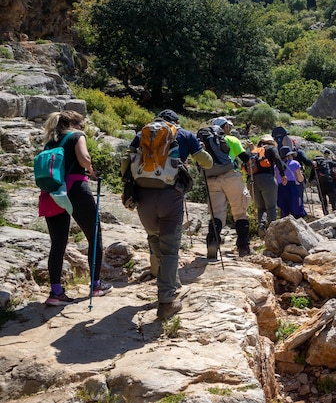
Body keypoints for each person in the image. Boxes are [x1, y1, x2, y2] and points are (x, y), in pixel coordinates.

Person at [125, 109, 213, 319]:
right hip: (170, 198)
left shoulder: (141, 134)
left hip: (143, 197)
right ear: (176, 121)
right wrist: (199, 149)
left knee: (154, 238)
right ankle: (166, 302)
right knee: (170, 249)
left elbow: (126, 163)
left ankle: (168, 280)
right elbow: (207, 163)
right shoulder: (183, 134)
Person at [38, 110, 112, 306]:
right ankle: (96, 285)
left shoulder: (50, 141)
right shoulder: (77, 135)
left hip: (53, 192)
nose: (84, 128)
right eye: (83, 125)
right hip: (76, 189)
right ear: (76, 124)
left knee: (58, 243)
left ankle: (55, 292)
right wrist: (91, 171)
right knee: (94, 235)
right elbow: (84, 158)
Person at [203, 117, 252, 258]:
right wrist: (251, 150)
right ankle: (243, 246)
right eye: (228, 127)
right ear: (224, 127)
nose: (229, 129)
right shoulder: (232, 140)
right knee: (240, 211)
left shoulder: (208, 141)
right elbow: (245, 158)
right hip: (231, 176)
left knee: (216, 213)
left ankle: (212, 242)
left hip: (211, 177)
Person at [246, 135, 286, 239]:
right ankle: (273, 231)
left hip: (251, 181)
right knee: (271, 207)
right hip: (267, 179)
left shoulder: (253, 151)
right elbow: (277, 160)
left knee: (261, 207)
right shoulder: (271, 148)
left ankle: (262, 225)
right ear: (271, 142)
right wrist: (283, 175)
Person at [276, 147, 306, 218]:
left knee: (284, 210)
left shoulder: (276, 166)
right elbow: (300, 179)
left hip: (280, 189)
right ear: (289, 155)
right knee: (296, 209)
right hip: (292, 188)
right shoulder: (295, 163)